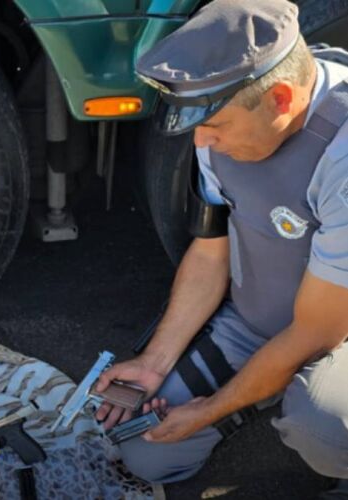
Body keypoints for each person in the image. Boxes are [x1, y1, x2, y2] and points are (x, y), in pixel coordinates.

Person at [93, 0, 348, 495]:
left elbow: (317, 332)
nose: (202, 142)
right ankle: (258, 391)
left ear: (279, 99)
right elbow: (211, 252)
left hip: (336, 334)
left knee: (321, 425)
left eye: (216, 126)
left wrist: (209, 409)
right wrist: (154, 363)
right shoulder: (225, 120)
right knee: (144, 452)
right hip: (259, 323)